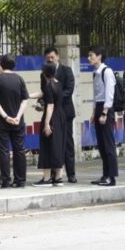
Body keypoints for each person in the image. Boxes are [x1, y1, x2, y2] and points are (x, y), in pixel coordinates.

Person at [39, 47, 77, 183]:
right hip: (51, 112)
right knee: (52, 144)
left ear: (58, 57)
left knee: (66, 143)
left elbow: (69, 90)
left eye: (52, 57)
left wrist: (55, 100)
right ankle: (53, 175)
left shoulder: (66, 71)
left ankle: (71, 173)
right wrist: (41, 103)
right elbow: (45, 92)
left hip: (64, 112)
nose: (50, 60)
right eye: (48, 58)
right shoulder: (44, 74)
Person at [0, 54, 29, 188]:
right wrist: (17, 117)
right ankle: (20, 180)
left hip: (2, 122)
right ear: (14, 65)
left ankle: (5, 181)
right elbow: (25, 100)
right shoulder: (20, 79)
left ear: (1, 65)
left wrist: (6, 117)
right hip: (18, 121)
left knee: (3, 151)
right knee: (19, 150)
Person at [30, 62, 66, 187]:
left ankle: (46, 179)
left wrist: (46, 124)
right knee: (58, 145)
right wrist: (28, 96)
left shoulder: (48, 86)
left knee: (47, 146)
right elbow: (43, 94)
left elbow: (50, 106)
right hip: (61, 116)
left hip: (52, 117)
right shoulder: (58, 84)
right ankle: (58, 177)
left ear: (45, 73)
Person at [88, 45, 118, 186]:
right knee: (101, 144)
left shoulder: (107, 71)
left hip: (106, 108)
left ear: (99, 56)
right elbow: (96, 95)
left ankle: (111, 177)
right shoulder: (96, 73)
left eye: (91, 55)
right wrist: (94, 112)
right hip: (99, 107)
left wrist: (105, 112)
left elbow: (109, 94)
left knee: (108, 144)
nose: (89, 58)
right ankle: (105, 174)